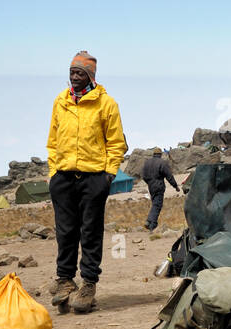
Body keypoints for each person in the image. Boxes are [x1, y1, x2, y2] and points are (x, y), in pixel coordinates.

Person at [47, 51, 127, 314]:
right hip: (64, 177)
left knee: (90, 232)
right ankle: (65, 280)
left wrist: (109, 175)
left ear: (91, 76)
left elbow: (117, 143)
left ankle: (88, 284)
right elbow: (53, 140)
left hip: (94, 178)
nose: (74, 77)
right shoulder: (61, 101)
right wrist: (53, 173)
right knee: (65, 231)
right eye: (72, 72)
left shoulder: (106, 103)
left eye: (80, 73)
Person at [141, 149, 178, 231]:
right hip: (159, 186)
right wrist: (175, 186)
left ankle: (151, 222)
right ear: (160, 154)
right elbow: (169, 176)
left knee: (155, 203)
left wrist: (149, 182)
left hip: (150, 186)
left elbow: (143, 176)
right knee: (157, 205)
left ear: (153, 154)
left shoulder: (147, 163)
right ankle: (151, 224)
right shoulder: (162, 163)